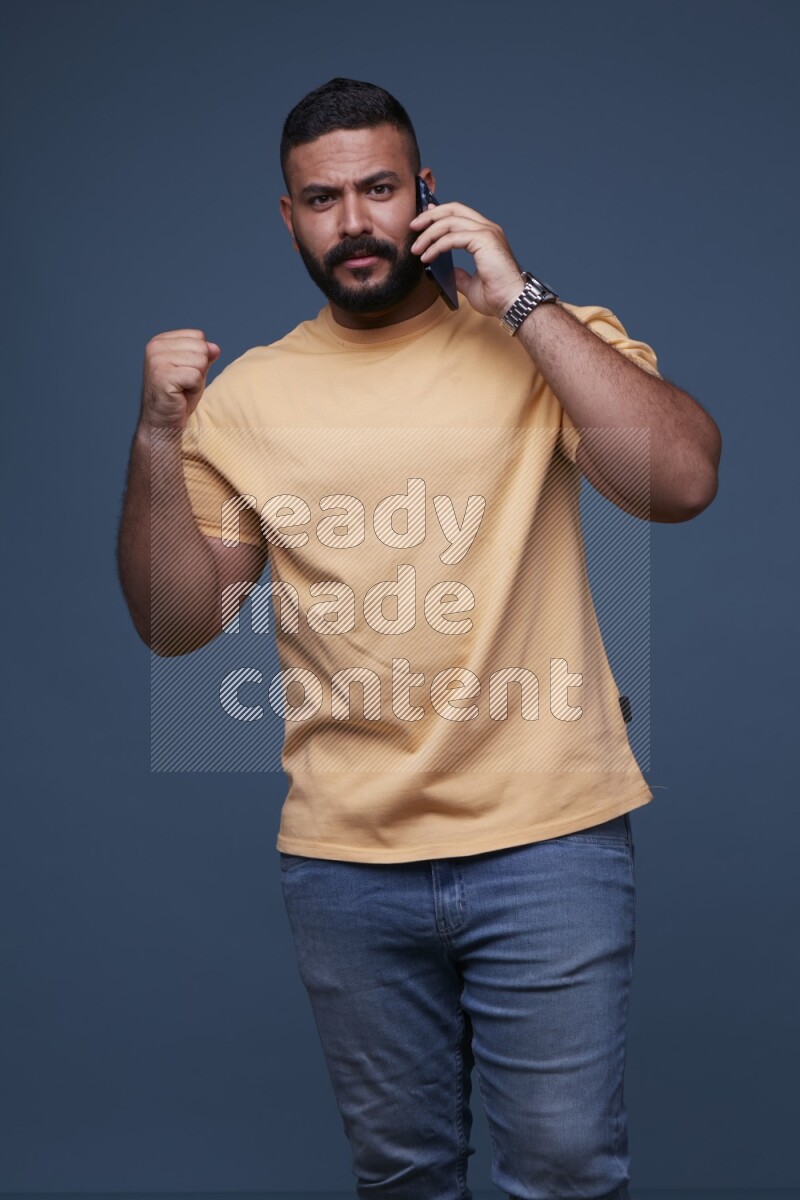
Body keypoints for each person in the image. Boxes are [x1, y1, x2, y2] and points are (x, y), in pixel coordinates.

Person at [117, 77, 721, 1200]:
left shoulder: (536, 344)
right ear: (289, 218)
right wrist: (159, 433)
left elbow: (680, 482)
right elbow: (176, 624)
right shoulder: (244, 399)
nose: (354, 222)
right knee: (400, 1178)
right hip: (345, 863)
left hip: (549, 840)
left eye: (379, 190)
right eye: (322, 200)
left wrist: (520, 298)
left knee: (566, 1167)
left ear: (427, 195)